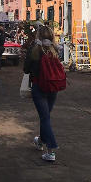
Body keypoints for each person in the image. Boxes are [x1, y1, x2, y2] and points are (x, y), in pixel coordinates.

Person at [23, 25, 60, 162]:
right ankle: (40, 141)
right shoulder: (55, 49)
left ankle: (51, 151)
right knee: (46, 117)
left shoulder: (35, 50)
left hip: (39, 87)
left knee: (45, 118)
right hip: (53, 87)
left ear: (38, 36)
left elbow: (26, 69)